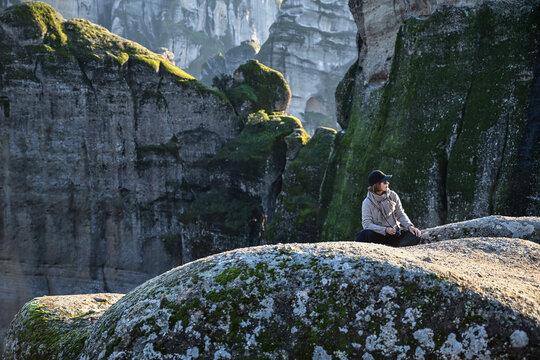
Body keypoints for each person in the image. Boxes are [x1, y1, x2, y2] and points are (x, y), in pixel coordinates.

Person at [355, 170, 422, 247]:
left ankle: (396, 247)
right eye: (384, 182)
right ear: (376, 185)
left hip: (395, 234)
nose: (387, 183)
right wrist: (385, 230)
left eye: (387, 181)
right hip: (378, 235)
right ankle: (388, 246)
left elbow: (400, 214)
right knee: (363, 234)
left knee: (416, 234)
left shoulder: (393, 195)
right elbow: (367, 224)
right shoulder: (367, 202)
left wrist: (410, 226)